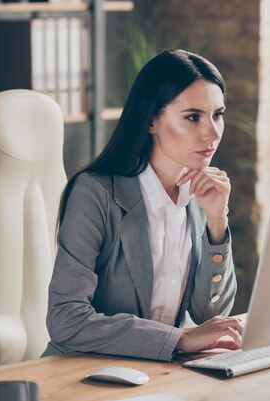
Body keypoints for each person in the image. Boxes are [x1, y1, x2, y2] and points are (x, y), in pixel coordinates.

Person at [42, 49, 242, 361]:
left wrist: (217, 222)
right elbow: (66, 319)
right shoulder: (96, 193)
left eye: (218, 115)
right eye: (193, 117)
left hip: (157, 374)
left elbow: (208, 315)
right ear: (151, 121)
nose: (212, 132)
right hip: (83, 372)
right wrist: (179, 339)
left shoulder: (199, 196)